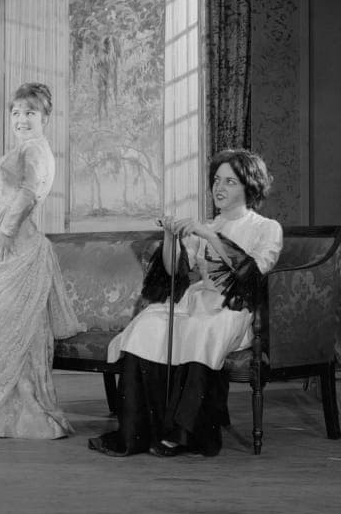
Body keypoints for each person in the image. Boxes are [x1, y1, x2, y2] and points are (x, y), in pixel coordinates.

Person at [88, 148, 282, 458]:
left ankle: (184, 433)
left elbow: (251, 273)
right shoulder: (208, 225)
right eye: (216, 180)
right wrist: (169, 236)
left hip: (236, 309)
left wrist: (211, 234)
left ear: (249, 185)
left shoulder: (266, 228)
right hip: (198, 301)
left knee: (203, 329)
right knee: (149, 324)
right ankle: (138, 431)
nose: (219, 188)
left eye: (230, 182)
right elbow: (173, 269)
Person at [0, 82, 84, 439]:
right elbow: (11, 192)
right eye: (16, 113)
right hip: (1, 244)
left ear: (45, 116)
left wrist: (7, 230)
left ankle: (27, 411)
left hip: (16, 246)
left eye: (30, 113)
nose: (21, 119)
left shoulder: (38, 151)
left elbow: (28, 194)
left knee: (15, 328)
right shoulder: (25, 148)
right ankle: (3, 409)